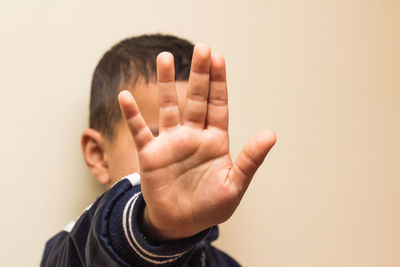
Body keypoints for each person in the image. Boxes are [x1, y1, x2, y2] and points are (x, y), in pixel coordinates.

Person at [41, 34, 276, 267]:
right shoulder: (71, 250)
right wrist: (157, 229)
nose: (183, 160)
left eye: (198, 141)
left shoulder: (221, 263)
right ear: (99, 157)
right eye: (159, 138)